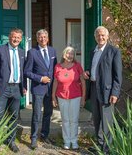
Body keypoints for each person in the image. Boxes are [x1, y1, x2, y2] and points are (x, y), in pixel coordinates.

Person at [84, 26, 122, 154]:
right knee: (97, 119)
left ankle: (107, 149)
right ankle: (99, 145)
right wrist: (87, 73)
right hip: (94, 88)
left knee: (107, 121)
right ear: (95, 37)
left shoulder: (114, 51)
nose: (100, 37)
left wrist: (115, 93)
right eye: (98, 35)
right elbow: (93, 68)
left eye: (103, 35)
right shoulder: (93, 51)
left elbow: (118, 75)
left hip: (107, 91)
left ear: (107, 36)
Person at [0, 28, 26, 153]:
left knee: (14, 117)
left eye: (18, 38)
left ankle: (11, 141)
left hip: (16, 89)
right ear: (9, 37)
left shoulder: (21, 52)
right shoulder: (0, 50)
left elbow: (22, 72)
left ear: (21, 39)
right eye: (14, 37)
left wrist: (24, 86)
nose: (15, 39)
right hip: (1, 89)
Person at [24, 29, 57, 149]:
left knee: (48, 113)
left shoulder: (52, 51)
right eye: (40, 37)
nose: (43, 39)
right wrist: (40, 78)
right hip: (38, 88)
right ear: (37, 39)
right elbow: (27, 72)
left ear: (48, 39)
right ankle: (33, 138)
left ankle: (44, 135)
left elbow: (55, 69)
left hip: (50, 89)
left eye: (45, 37)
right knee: (37, 114)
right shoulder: (32, 52)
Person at [52, 46, 86, 150]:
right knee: (65, 119)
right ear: (64, 54)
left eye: (72, 54)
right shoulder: (58, 66)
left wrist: (83, 97)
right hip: (61, 96)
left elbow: (83, 82)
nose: (70, 55)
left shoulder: (77, 66)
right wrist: (53, 96)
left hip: (75, 96)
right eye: (68, 53)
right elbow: (55, 82)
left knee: (74, 120)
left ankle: (74, 141)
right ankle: (66, 141)